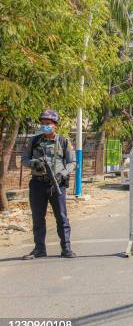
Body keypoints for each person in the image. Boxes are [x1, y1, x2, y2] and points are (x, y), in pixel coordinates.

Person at [21, 110, 76, 259]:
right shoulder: (34, 140)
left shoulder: (63, 141)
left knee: (62, 217)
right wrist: (34, 163)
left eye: (48, 124)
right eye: (43, 123)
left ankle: (66, 248)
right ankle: (39, 249)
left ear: (55, 125)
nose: (45, 126)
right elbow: (24, 159)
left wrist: (62, 174)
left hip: (57, 185)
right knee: (38, 218)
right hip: (37, 184)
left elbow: (72, 163)